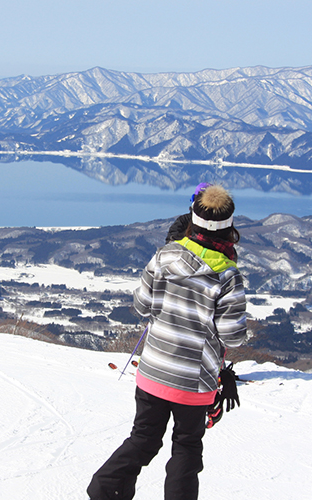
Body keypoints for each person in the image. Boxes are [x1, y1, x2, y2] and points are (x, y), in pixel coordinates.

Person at [87, 184, 247, 500]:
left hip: (153, 371)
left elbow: (142, 305)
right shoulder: (228, 276)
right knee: (186, 448)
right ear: (229, 226)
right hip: (194, 381)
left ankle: (104, 488)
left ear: (193, 218)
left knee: (144, 438)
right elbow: (233, 335)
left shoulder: (165, 256)